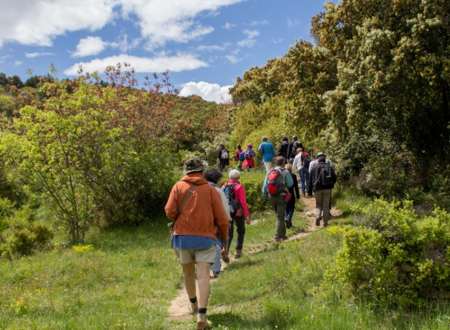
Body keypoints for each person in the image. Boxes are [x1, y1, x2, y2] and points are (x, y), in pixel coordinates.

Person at [165, 158, 229, 330]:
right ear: (201, 171)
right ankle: (202, 316)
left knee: (187, 273)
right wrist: (224, 239)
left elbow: (170, 213)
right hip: (206, 238)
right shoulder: (210, 190)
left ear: (186, 172)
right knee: (203, 275)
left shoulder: (178, 187)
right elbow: (222, 219)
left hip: (182, 237)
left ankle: (193, 306)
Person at [203, 169, 232, 278]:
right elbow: (225, 207)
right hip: (216, 220)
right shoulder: (218, 191)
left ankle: (205, 267)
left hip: (203, 220)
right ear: (217, 179)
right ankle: (216, 270)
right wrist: (228, 220)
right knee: (217, 244)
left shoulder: (201, 189)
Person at [262, 156, 293, 241]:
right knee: (280, 217)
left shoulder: (270, 171)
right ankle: (277, 237)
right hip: (281, 196)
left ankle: (283, 235)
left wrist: (266, 196)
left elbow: (265, 186)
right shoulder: (285, 171)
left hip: (271, 196)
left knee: (279, 216)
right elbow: (290, 184)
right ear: (283, 163)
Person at [222, 169, 251, 261]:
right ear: (238, 177)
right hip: (238, 211)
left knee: (229, 232)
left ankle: (225, 251)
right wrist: (247, 216)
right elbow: (243, 202)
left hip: (227, 211)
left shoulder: (224, 186)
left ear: (229, 177)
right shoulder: (239, 186)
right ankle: (238, 252)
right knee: (240, 230)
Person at [308, 153, 337, 227]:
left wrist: (309, 191)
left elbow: (310, 180)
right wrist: (331, 185)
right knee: (326, 206)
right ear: (325, 160)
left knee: (318, 204)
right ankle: (325, 222)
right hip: (327, 188)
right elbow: (334, 177)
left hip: (317, 188)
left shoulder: (314, 168)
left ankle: (318, 216)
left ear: (317, 160)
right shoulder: (329, 167)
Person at [285, 164, 300, 229]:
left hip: (284, 194)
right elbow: (296, 187)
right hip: (291, 194)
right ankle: (288, 218)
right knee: (291, 208)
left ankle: (289, 223)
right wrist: (298, 196)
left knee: (286, 208)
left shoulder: (283, 175)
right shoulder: (293, 176)